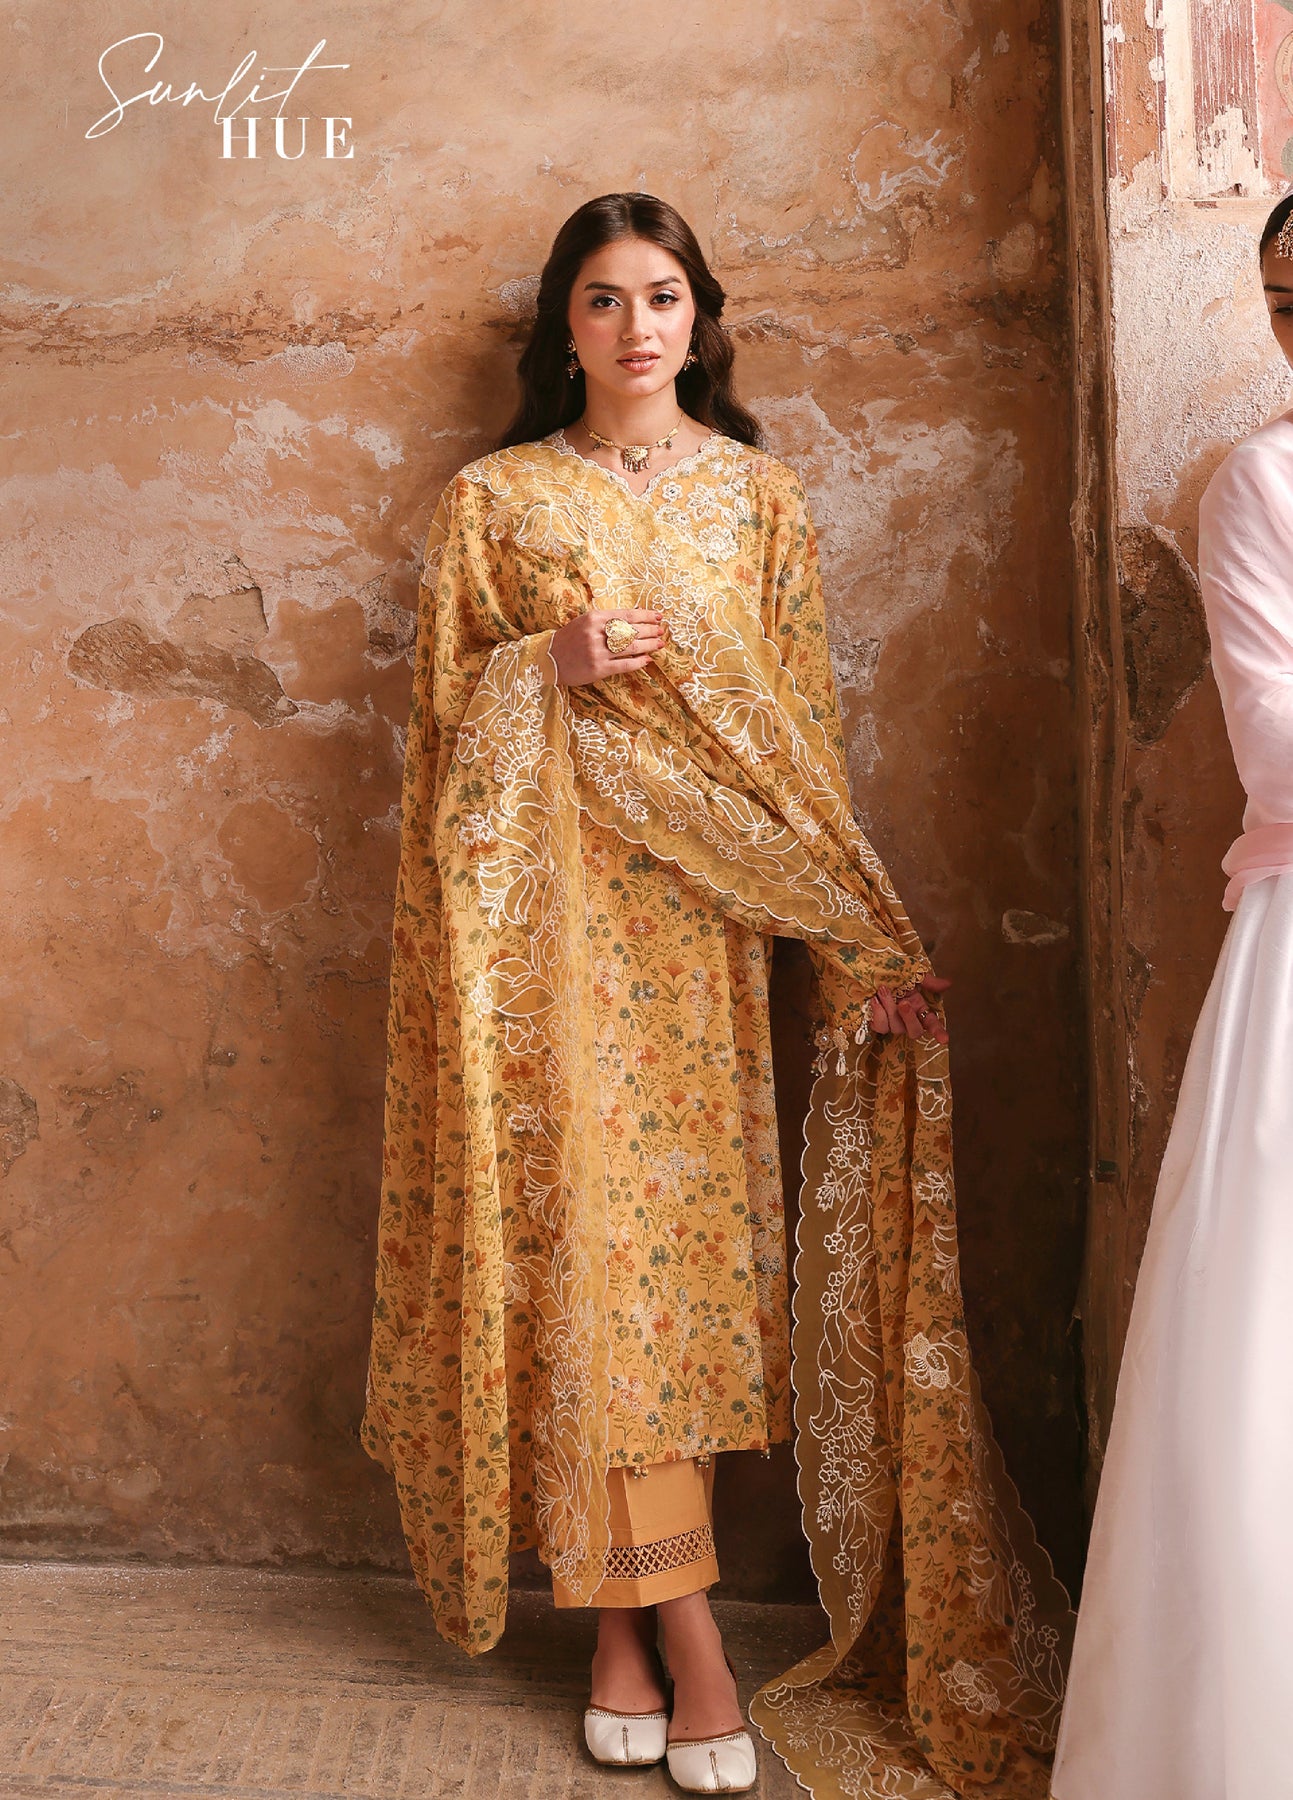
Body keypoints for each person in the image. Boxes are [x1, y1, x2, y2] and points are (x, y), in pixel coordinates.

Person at [362, 192, 1071, 1797]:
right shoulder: (494, 500)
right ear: (563, 330)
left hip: (695, 943)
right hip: (545, 939)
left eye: (662, 296)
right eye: (603, 299)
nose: (635, 327)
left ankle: (619, 1631)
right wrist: (543, 669)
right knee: (578, 1257)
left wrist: (846, 937)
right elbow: (441, 738)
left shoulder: (760, 500)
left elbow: (798, 739)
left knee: (667, 1285)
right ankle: (691, 1649)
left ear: (700, 319)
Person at [1051, 194, 1293, 1800]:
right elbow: (1277, 745)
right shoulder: (1261, 486)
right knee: (1261, 1367)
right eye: (1282, 297)